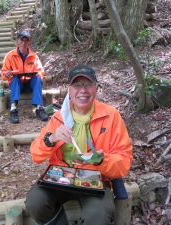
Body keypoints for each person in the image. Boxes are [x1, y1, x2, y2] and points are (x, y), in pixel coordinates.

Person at [25, 64, 133, 225]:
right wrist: (51, 138)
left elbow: (124, 161)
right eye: (76, 85)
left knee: (97, 216)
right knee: (35, 202)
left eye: (88, 84)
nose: (83, 90)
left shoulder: (111, 116)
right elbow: (35, 155)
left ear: (96, 88)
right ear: (69, 90)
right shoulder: (59, 117)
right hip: (60, 176)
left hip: (95, 178)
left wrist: (101, 160)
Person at [1, 30, 49, 124]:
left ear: (29, 42)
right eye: (21, 40)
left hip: (29, 84)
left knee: (37, 79)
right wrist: (6, 74)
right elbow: (3, 74)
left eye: (26, 40)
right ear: (17, 41)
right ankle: (13, 110)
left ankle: (39, 108)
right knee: (15, 79)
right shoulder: (10, 56)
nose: (23, 43)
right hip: (17, 85)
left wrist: (36, 74)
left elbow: (41, 71)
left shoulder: (34, 56)